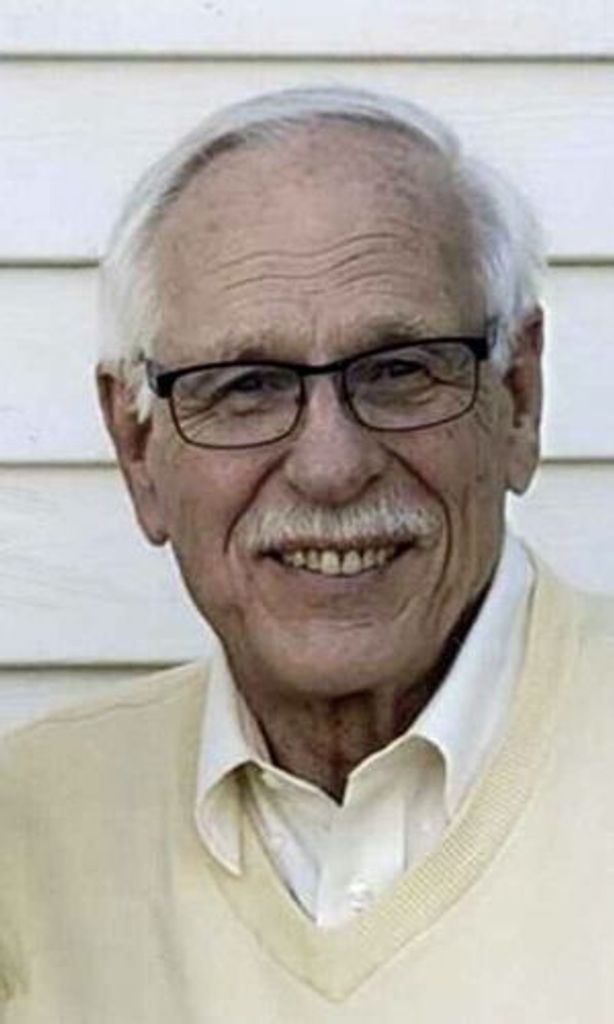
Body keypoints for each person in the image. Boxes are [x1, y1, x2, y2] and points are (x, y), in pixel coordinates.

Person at [1, 85, 613, 1022]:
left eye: (400, 371)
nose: (331, 467)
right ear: (137, 450)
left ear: (519, 401)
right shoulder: (31, 833)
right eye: (245, 386)